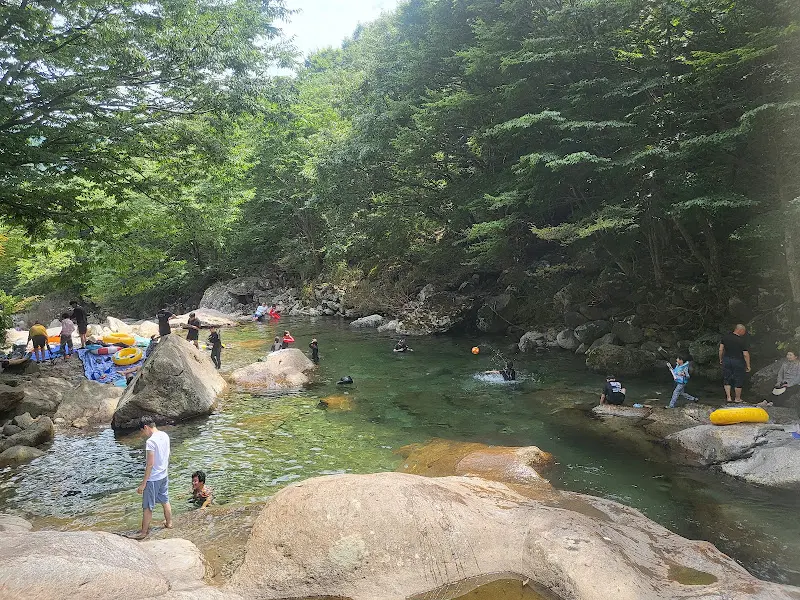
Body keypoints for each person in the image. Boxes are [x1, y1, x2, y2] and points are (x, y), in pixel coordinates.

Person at [134, 416, 172, 539]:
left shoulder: (150, 442)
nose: (143, 434)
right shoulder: (165, 435)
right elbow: (167, 454)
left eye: (142, 431)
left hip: (153, 478)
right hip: (164, 475)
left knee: (148, 506)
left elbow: (150, 464)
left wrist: (143, 483)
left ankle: (144, 532)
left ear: (146, 427)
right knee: (165, 500)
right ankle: (169, 523)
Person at [719, 324, 751, 403]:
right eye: (744, 331)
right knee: (738, 379)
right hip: (738, 361)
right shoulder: (741, 340)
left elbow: (721, 349)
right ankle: (737, 398)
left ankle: (729, 397)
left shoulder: (725, 337)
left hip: (727, 359)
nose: (744, 333)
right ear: (740, 330)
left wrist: (721, 359)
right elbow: (745, 354)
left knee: (727, 378)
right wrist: (748, 365)